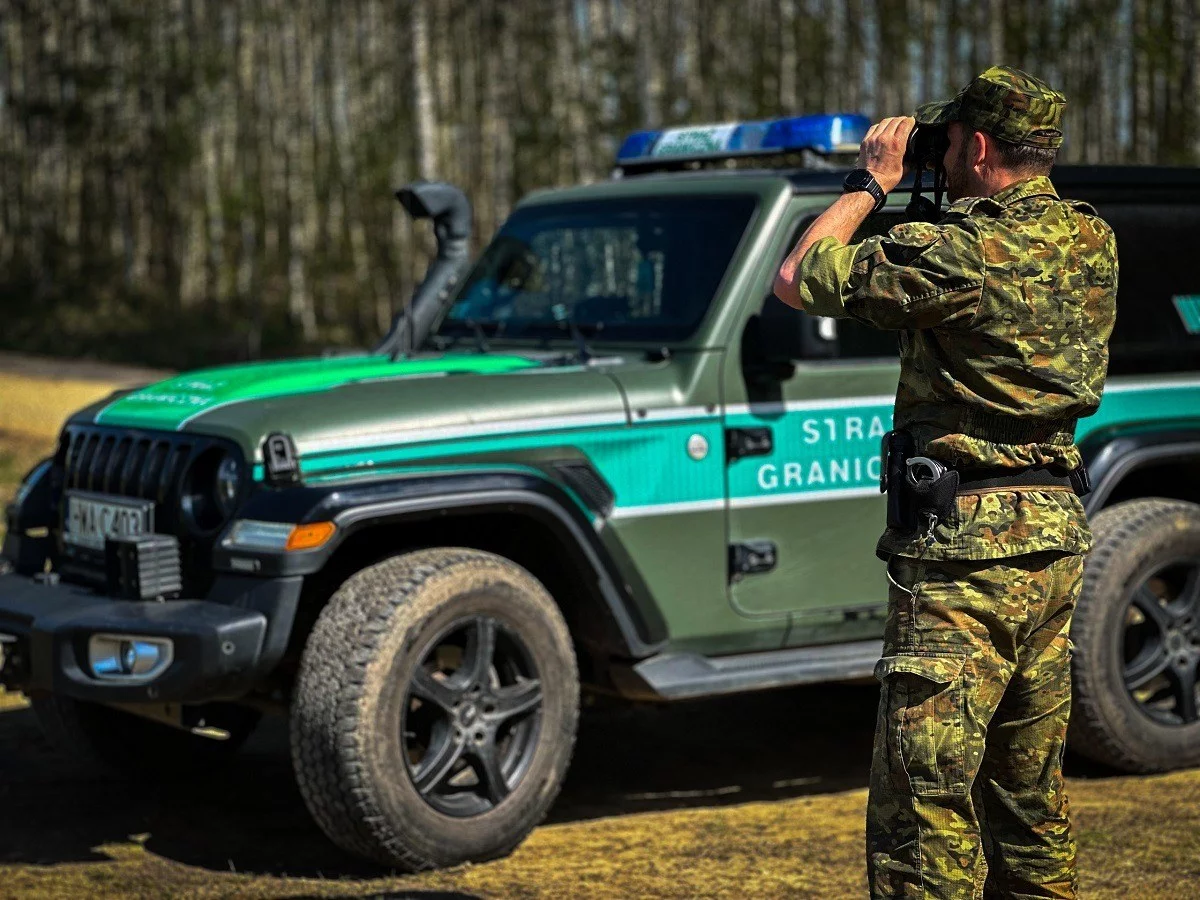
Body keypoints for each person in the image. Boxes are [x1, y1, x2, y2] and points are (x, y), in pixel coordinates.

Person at [773, 66, 1118, 900]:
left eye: (952, 139)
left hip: (966, 556)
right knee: (1029, 798)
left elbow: (801, 275)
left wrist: (871, 182)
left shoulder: (961, 251)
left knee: (923, 807)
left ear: (981, 144)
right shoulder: (1091, 239)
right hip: (1054, 536)